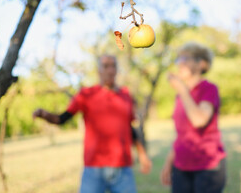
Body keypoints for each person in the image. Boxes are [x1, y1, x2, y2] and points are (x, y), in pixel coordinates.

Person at [33, 54, 152, 193]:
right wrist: (44, 115)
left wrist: (142, 155)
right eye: (106, 66)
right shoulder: (86, 94)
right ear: (99, 70)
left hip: (123, 168)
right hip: (94, 168)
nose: (110, 70)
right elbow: (62, 118)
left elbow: (129, 128)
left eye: (113, 66)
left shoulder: (125, 95)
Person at [160, 42, 226, 193]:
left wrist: (182, 89)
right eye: (179, 59)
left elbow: (199, 120)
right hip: (181, 166)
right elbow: (181, 135)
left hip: (207, 166)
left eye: (186, 58)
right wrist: (169, 162)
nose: (180, 63)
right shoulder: (181, 96)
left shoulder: (209, 89)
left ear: (201, 64)